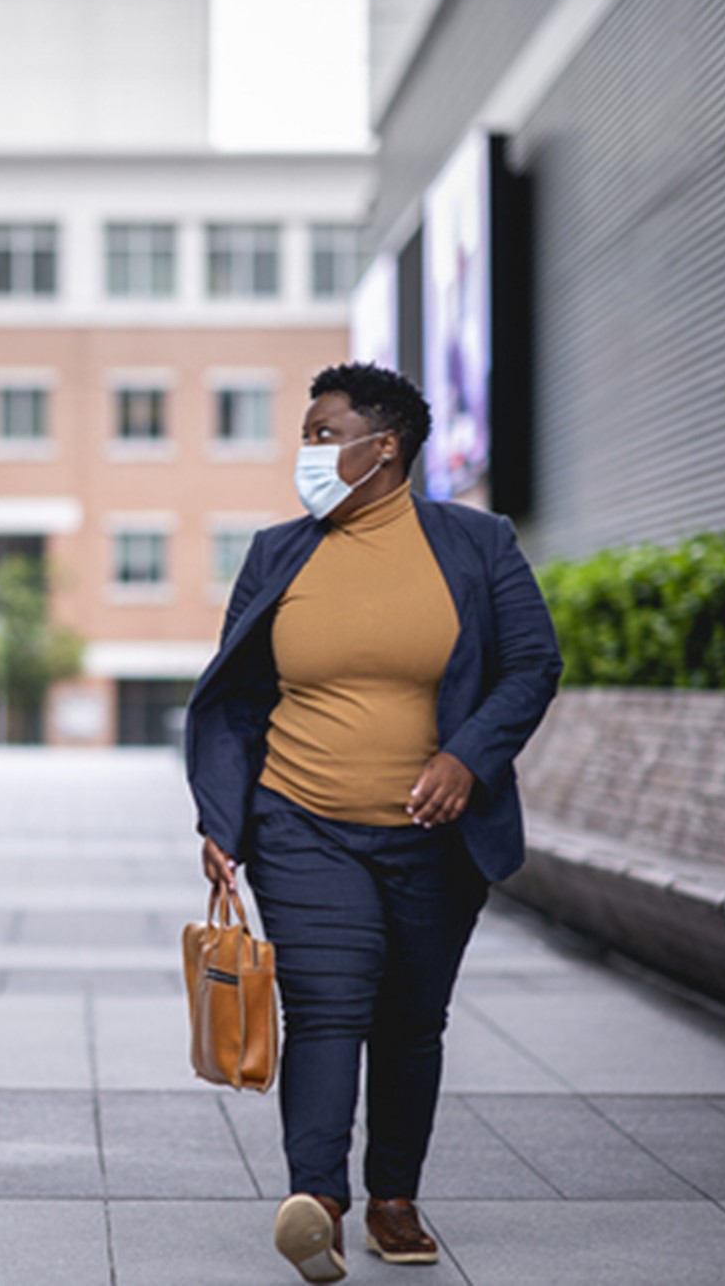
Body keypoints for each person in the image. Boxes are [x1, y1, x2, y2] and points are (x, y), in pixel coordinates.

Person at [184, 362, 560, 1282]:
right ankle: (320, 1200)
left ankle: (394, 1195)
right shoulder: (280, 552)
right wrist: (222, 817)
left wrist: (466, 757)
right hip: (300, 821)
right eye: (307, 433)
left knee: (410, 1019)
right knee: (326, 1004)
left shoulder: (475, 543)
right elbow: (236, 699)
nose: (306, 450)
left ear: (382, 446)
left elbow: (531, 663)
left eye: (323, 432)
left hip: (436, 836)